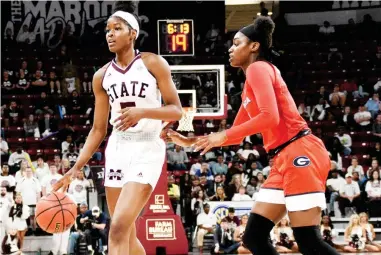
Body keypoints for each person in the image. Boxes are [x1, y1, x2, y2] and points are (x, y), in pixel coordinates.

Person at [165, 16, 338, 255]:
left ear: (254, 46)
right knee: (254, 237)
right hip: (281, 158)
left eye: (236, 43)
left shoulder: (259, 68)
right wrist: (191, 141)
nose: (230, 48)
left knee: (308, 240)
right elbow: (234, 136)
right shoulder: (250, 83)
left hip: (300, 150)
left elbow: (270, 118)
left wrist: (221, 135)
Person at [52, 2, 182, 255]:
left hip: (147, 146)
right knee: (127, 233)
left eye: (117, 28)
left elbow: (176, 110)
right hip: (118, 148)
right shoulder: (102, 76)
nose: (110, 34)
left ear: (132, 33)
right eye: (107, 30)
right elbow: (98, 129)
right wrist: (75, 168)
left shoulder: (152, 63)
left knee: (118, 227)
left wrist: (142, 112)